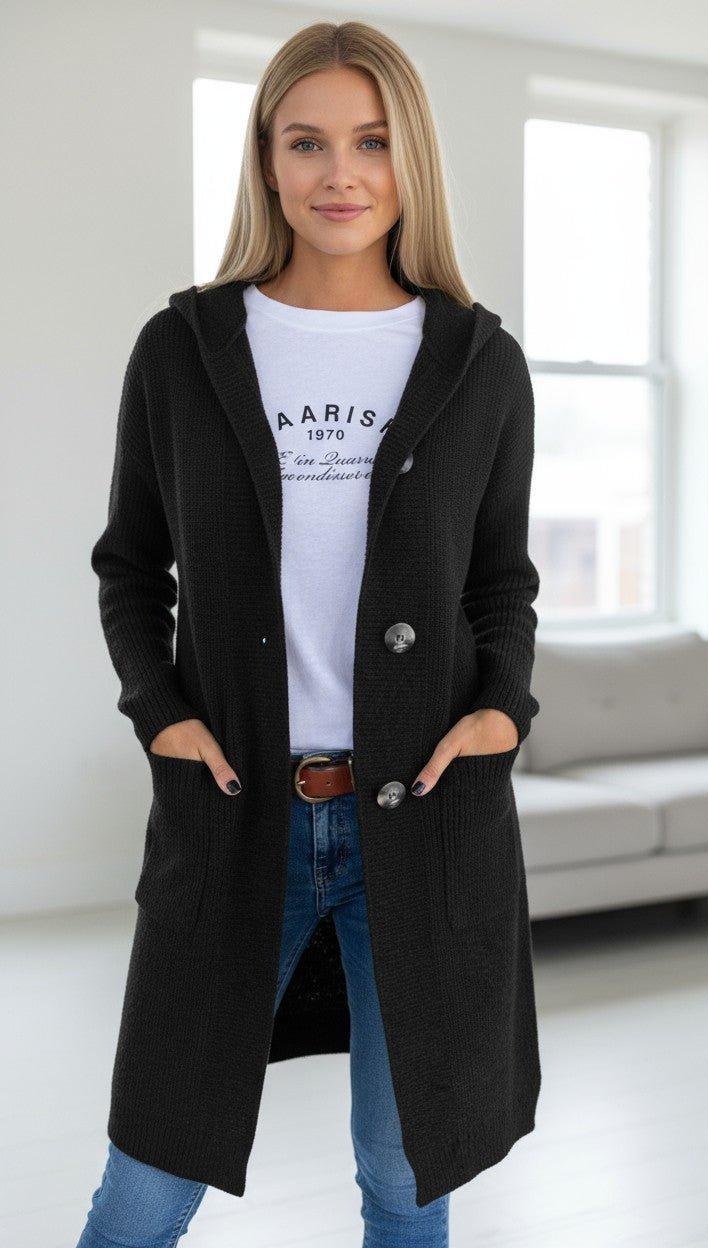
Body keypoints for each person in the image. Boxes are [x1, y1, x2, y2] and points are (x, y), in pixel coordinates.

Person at [78, 19, 541, 1248]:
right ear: (267, 160)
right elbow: (131, 566)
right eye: (308, 142)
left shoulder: (478, 362)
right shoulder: (184, 349)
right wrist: (159, 713)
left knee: (405, 1173)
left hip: (426, 821)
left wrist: (502, 709)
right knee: (150, 1174)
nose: (342, 174)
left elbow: (501, 581)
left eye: (372, 141)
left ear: (411, 158)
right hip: (236, 815)